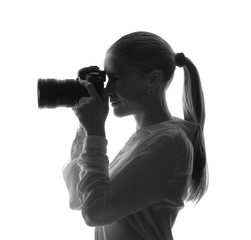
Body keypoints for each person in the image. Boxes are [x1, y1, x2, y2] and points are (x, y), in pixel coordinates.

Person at [62, 31, 209, 240]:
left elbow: (95, 213)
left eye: (116, 78)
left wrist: (95, 132)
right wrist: (85, 128)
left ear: (153, 79)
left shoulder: (169, 142)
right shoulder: (145, 139)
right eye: (106, 79)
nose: (108, 90)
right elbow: (79, 199)